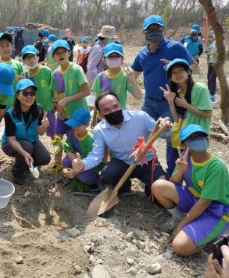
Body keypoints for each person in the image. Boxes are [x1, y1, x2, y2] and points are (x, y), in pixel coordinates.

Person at [70, 91, 170, 197]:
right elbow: (96, 155)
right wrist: (83, 164)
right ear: (101, 114)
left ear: (120, 105)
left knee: (161, 193)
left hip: (147, 163)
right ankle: (124, 187)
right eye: (106, 110)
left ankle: (150, 188)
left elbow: (163, 134)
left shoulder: (140, 117)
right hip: (122, 164)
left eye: (115, 106)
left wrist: (165, 128)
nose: (113, 111)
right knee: (108, 174)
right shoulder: (99, 130)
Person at [131, 14, 197, 175]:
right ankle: (149, 169)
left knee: (172, 139)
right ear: (144, 32)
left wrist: (175, 66)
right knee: (141, 135)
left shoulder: (175, 48)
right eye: (150, 29)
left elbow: (195, 67)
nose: (153, 32)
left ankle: (172, 174)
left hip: (171, 102)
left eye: (157, 28)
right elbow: (134, 74)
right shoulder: (142, 54)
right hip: (149, 102)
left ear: (163, 29)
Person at [152, 124, 229, 256]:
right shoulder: (185, 157)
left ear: (207, 140)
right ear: (184, 144)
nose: (197, 139)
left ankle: (208, 239)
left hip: (216, 211)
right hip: (194, 200)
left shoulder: (217, 167)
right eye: (192, 138)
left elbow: (205, 202)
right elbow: (173, 183)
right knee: (158, 186)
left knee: (179, 246)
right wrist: (180, 171)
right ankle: (183, 221)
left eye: (201, 136)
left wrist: (181, 225)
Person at [160, 58, 212, 175]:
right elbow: (177, 119)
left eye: (181, 70)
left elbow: (208, 114)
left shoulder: (200, 88)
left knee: (193, 173)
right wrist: (170, 101)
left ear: (189, 72)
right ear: (170, 77)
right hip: (178, 139)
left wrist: (186, 105)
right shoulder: (179, 92)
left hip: (195, 138)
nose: (178, 74)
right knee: (175, 172)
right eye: (174, 72)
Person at [2, 79, 51, 185]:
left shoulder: (38, 109)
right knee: (27, 147)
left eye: (32, 93)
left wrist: (44, 126)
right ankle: (17, 173)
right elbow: (11, 140)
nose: (29, 97)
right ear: (17, 95)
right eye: (25, 93)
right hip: (11, 144)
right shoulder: (10, 114)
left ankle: (27, 164)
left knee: (45, 158)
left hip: (31, 140)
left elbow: (40, 132)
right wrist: (24, 153)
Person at [51, 39, 90, 168]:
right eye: (57, 53)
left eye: (64, 52)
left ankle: (79, 163)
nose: (61, 55)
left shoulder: (76, 69)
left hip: (77, 115)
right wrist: (59, 109)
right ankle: (57, 162)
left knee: (76, 139)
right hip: (63, 114)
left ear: (69, 53)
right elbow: (56, 96)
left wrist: (67, 100)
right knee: (57, 138)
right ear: (53, 57)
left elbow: (86, 91)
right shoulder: (55, 74)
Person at [90, 42, 142, 128]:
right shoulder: (100, 77)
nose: (113, 59)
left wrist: (133, 81)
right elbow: (97, 100)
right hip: (102, 118)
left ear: (122, 58)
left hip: (118, 118)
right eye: (110, 56)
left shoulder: (125, 76)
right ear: (104, 59)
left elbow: (138, 97)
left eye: (116, 56)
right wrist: (95, 117)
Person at [21, 45, 56, 141]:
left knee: (54, 134)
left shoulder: (46, 71)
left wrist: (55, 103)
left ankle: (57, 155)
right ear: (24, 61)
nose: (31, 59)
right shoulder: (25, 75)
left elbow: (54, 88)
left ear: (38, 57)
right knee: (33, 133)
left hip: (47, 109)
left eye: (33, 56)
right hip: (33, 111)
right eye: (27, 57)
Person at [62, 108, 100, 187]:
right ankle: (72, 175)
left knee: (85, 176)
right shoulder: (71, 133)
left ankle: (94, 182)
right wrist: (73, 160)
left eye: (77, 125)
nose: (74, 127)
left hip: (87, 166)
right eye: (73, 124)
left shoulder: (90, 139)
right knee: (65, 161)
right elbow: (67, 148)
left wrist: (76, 170)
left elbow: (92, 160)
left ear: (86, 125)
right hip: (77, 162)